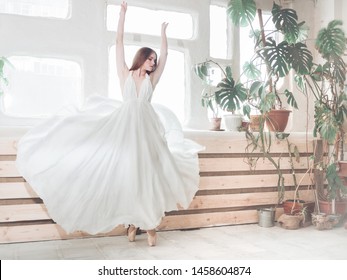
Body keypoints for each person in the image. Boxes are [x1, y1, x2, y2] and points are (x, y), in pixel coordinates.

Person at [15, 1, 203, 247]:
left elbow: (166, 56)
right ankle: (133, 222)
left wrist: (163, 35)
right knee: (128, 176)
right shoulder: (125, 73)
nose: (154, 62)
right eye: (150, 59)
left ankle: (150, 224)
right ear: (142, 58)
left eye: (154, 60)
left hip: (146, 131)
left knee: (147, 176)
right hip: (125, 129)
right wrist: (122, 15)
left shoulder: (152, 80)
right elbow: (118, 43)